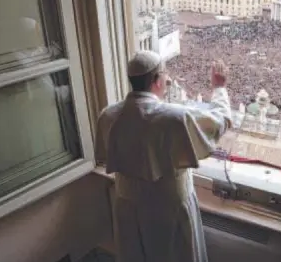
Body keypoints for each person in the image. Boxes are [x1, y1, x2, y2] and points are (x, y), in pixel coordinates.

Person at [96, 50, 232, 262]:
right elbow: (220, 121)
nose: (168, 80)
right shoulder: (174, 118)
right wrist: (219, 88)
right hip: (170, 212)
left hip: (127, 208)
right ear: (157, 80)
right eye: (165, 75)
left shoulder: (107, 116)